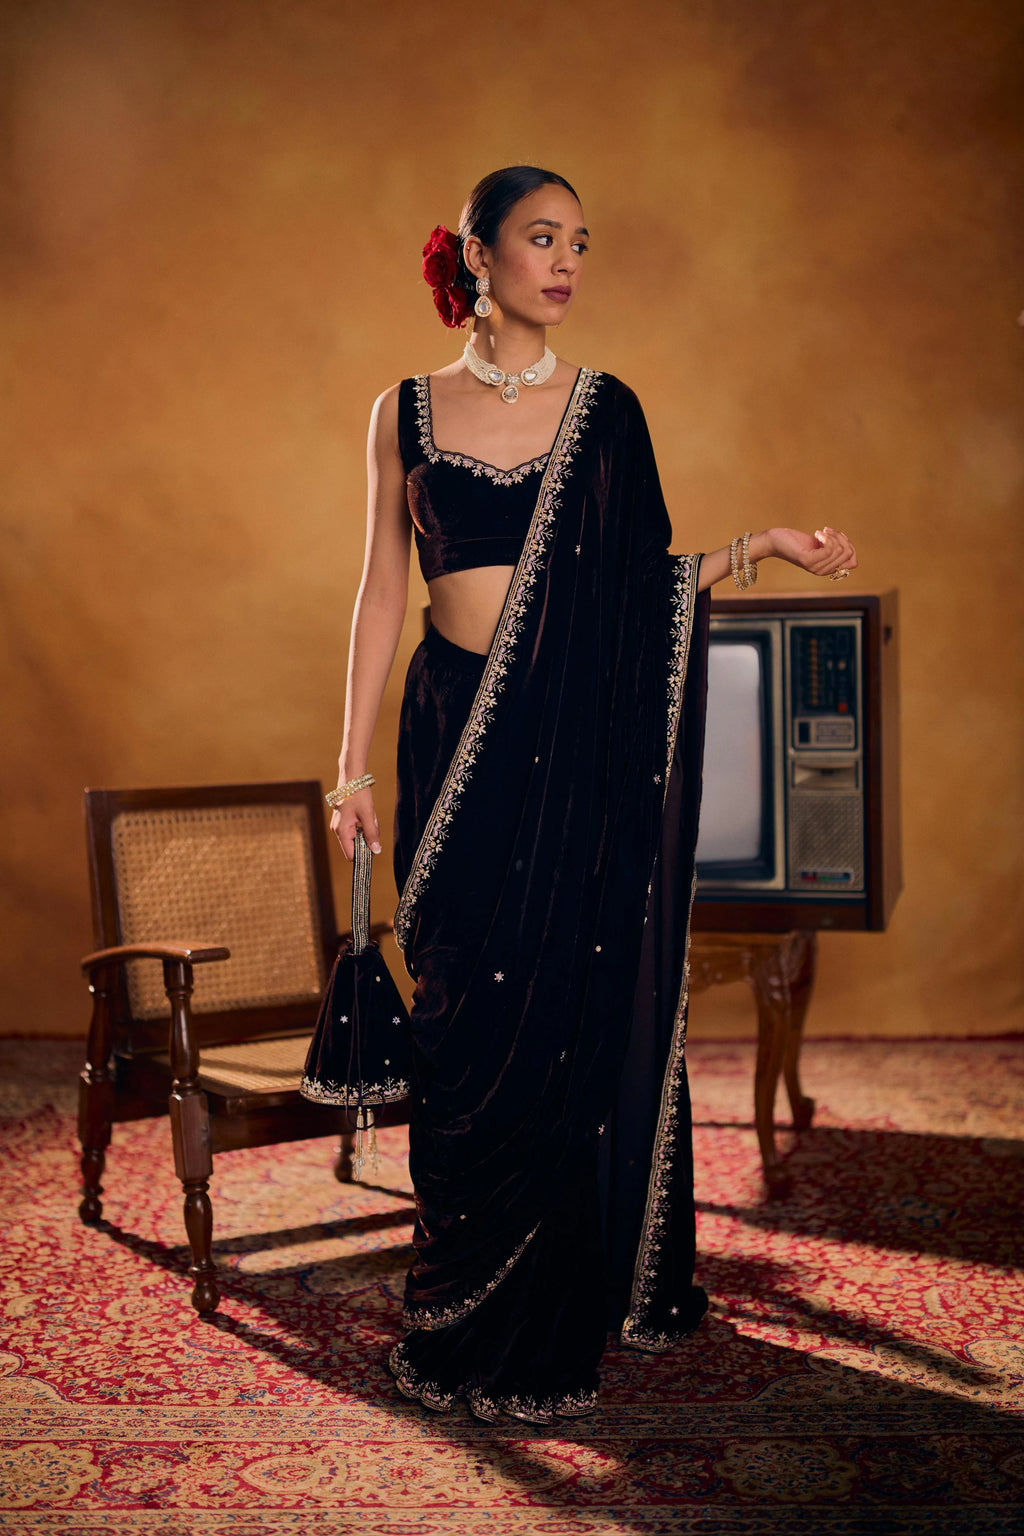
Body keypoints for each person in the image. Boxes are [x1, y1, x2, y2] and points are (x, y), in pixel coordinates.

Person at [328, 166, 857, 1424]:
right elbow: (379, 594)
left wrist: (760, 547)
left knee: (560, 1004)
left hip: (570, 757)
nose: (565, 263)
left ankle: (548, 1313)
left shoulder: (605, 412)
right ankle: (454, 1298)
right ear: (479, 253)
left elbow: (639, 593)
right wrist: (349, 766)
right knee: (459, 1015)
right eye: (541, 238)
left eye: (580, 243)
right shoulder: (402, 410)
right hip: (450, 735)